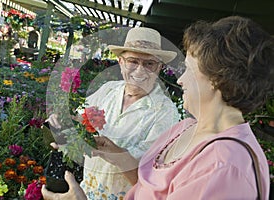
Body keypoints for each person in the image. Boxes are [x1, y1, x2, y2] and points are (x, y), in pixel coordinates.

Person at [42, 16, 273, 200]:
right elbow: (144, 184)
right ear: (121, 61)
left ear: (218, 80)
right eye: (133, 61)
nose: (180, 80)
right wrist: (75, 134)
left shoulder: (224, 168)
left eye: (189, 70)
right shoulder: (185, 128)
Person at [44, 27, 181, 199]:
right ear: (121, 62)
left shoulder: (165, 113)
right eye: (133, 61)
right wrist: (62, 125)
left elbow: (152, 182)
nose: (140, 70)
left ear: (159, 67)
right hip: (85, 192)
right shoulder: (108, 90)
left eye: (149, 64)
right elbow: (79, 121)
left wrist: (116, 154)